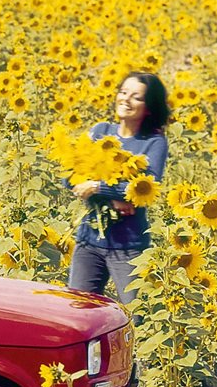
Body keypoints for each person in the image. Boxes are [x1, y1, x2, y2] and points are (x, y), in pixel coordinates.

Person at [67, 72, 170, 306]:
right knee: (78, 311)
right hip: (88, 242)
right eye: (123, 92)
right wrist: (113, 198)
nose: (126, 99)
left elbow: (146, 190)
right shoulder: (100, 131)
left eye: (136, 97)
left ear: (149, 107)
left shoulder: (153, 143)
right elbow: (70, 178)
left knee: (137, 313)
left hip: (128, 246)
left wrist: (97, 186)